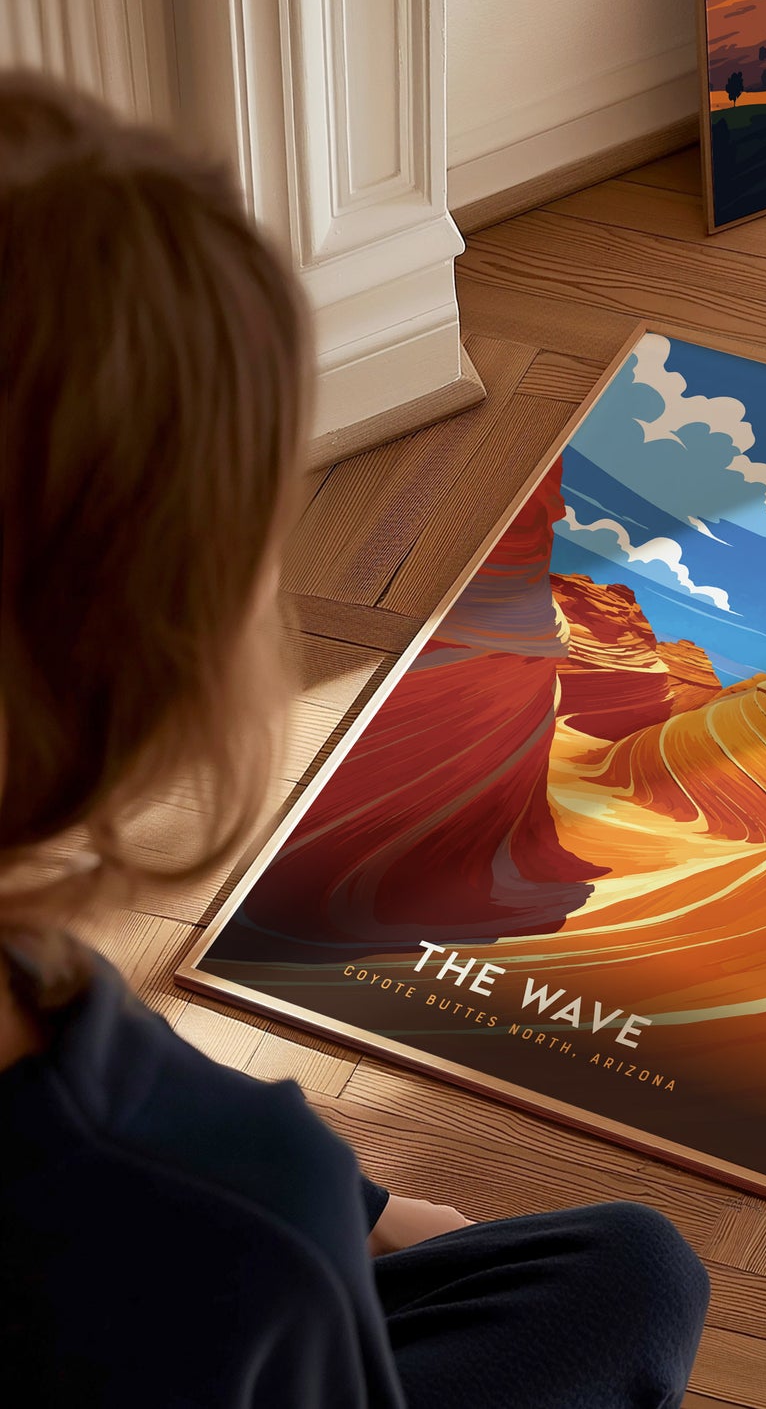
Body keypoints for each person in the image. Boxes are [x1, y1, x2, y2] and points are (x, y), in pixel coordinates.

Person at [0, 72, 710, 1407]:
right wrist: (320, 1215)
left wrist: (356, 1202)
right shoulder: (230, 1222)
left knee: (613, 1272)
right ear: (158, 651)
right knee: (631, 1278)